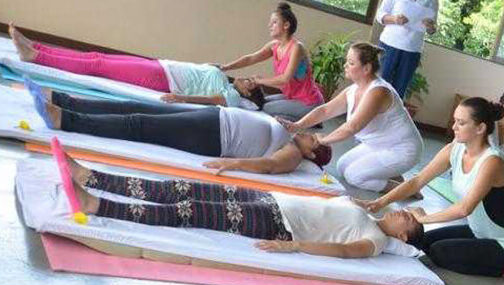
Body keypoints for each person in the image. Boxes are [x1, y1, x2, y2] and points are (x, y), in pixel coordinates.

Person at [53, 142, 422, 259]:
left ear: (403, 239)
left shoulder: (373, 243)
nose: (405, 214)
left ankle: (97, 205)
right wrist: (379, 204)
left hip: (278, 225)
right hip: (269, 198)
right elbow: (367, 202)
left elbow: (341, 252)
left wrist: (293, 247)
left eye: (409, 221)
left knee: (189, 212)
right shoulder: (365, 212)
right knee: (180, 188)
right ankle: (92, 177)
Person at [365, 98, 504, 279]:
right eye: (455, 120)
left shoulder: (492, 162)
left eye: (461, 123)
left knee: (438, 252)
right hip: (479, 232)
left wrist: (424, 218)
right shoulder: (455, 149)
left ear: (480, 128)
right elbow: (418, 181)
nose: (454, 127)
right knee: (421, 242)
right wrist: (378, 203)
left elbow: (464, 209)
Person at [29, 85, 330, 176]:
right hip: (215, 117)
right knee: (137, 108)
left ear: (312, 152)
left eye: (313, 138)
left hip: (213, 136)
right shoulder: (290, 135)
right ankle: (64, 100)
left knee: (139, 125)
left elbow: (268, 165)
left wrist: (232, 163)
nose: (308, 133)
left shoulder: (292, 155)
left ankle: (66, 120)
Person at [9, 26, 266, 109]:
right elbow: (240, 62)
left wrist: (180, 98)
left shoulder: (231, 97)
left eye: (251, 84)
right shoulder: (224, 76)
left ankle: (35, 57)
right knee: (97, 56)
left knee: (97, 65)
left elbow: (210, 101)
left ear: (247, 96)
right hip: (161, 66)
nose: (247, 80)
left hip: (163, 80)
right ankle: (37, 48)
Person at [284, 43, 422, 193]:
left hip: (402, 150)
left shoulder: (378, 92)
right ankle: (393, 173)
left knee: (354, 176)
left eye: (351, 63)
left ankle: (409, 189)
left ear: (366, 68)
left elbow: (352, 127)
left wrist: (323, 140)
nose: (345, 65)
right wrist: (297, 125)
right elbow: (325, 111)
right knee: (342, 166)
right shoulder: (353, 89)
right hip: (377, 145)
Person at [216, 2, 325, 120]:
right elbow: (251, 58)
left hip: (309, 102)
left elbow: (284, 79)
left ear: (286, 25)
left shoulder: (296, 48)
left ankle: (310, 121)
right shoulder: (274, 46)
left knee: (265, 108)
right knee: (262, 102)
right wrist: (224, 67)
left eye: (274, 22)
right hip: (292, 97)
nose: (269, 25)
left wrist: (260, 80)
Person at [376, 0, 439, 98]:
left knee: (400, 89)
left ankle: (391, 114)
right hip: (389, 44)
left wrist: (430, 26)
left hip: (412, 50)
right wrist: (394, 19)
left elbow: (432, 29)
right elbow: (379, 15)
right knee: (379, 85)